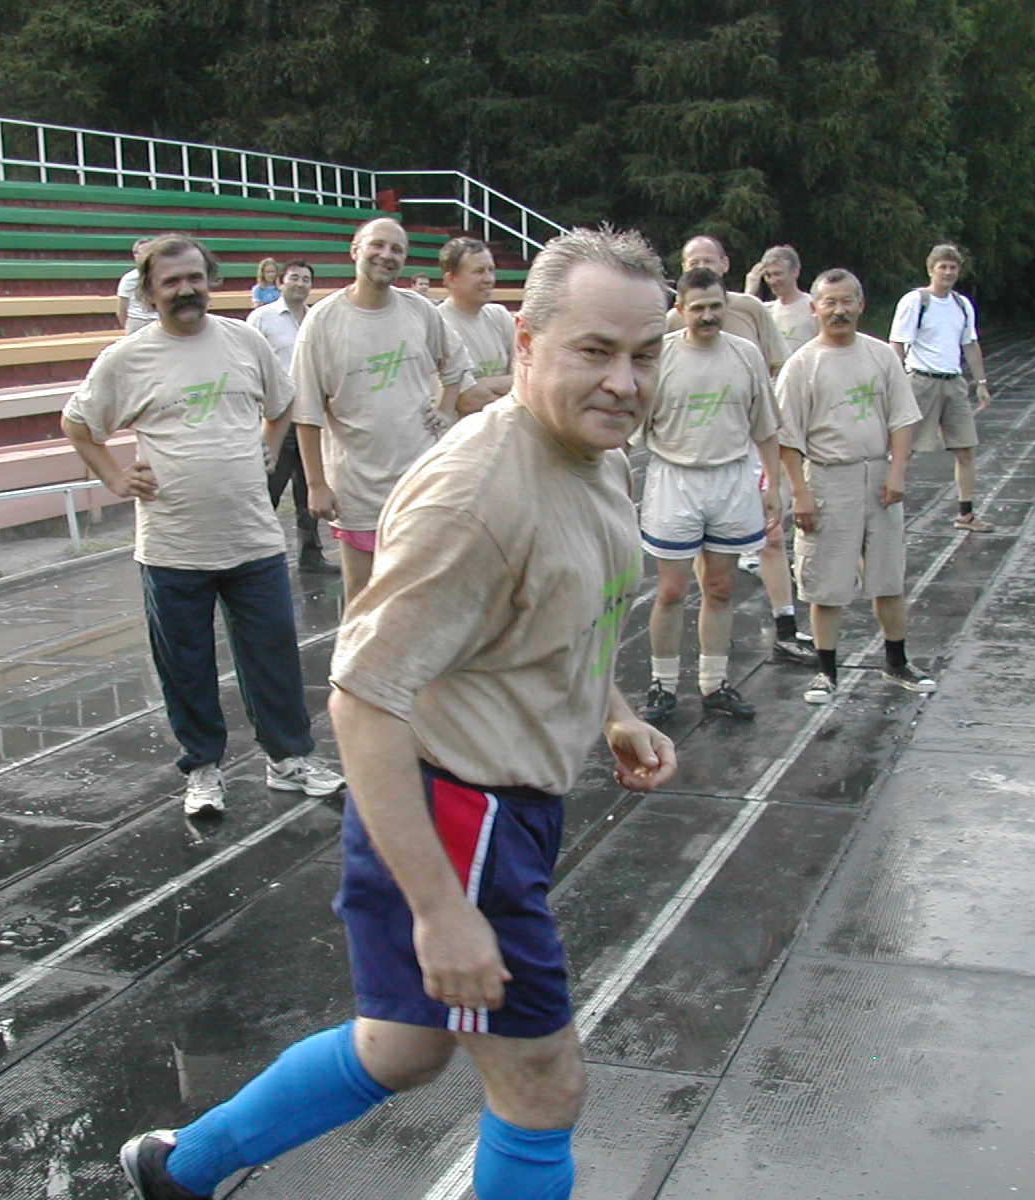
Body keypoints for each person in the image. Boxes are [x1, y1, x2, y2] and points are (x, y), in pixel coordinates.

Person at [118, 225, 678, 1200]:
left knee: (405, 1046)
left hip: (501, 808)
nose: (624, 382)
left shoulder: (595, 455)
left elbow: (555, 613)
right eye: (596, 350)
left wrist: (611, 709)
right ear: (526, 343)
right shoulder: (475, 498)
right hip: (460, 818)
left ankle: (179, 1168)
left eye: (644, 354)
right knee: (542, 1086)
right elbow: (363, 701)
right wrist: (441, 909)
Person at [62, 235, 344, 817]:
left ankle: (288, 759)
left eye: (194, 277)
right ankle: (203, 768)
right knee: (185, 666)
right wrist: (114, 476)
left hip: (252, 538)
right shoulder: (126, 359)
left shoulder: (244, 340)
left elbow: (282, 403)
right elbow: (78, 424)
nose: (185, 289)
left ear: (210, 279)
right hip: (173, 545)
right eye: (171, 281)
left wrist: (270, 445)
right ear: (149, 292)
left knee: (273, 658)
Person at [778, 269, 937, 705]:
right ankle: (825, 671)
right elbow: (787, 439)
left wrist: (897, 472)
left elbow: (902, 419)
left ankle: (897, 662)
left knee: (888, 578)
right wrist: (800, 494)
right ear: (814, 309)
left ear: (861, 305)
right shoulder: (802, 366)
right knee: (826, 583)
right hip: (828, 478)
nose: (839, 311)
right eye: (829, 303)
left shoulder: (881, 356)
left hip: (878, 476)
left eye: (847, 301)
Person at [293, 217, 470, 603]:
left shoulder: (420, 310)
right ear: (355, 250)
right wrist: (316, 484)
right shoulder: (322, 322)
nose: (386, 255)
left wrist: (446, 408)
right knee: (363, 596)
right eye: (378, 245)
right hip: (359, 487)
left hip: (420, 480)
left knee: (423, 594)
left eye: (397, 249)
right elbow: (306, 412)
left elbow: (455, 364)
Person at [637, 268, 782, 722]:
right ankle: (662, 685)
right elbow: (627, 432)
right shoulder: (658, 357)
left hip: (731, 478)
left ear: (727, 305)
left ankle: (714, 684)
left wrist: (774, 485)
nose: (707, 315)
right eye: (697, 308)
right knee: (671, 590)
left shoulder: (746, 354)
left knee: (720, 587)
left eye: (715, 306)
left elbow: (766, 428)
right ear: (679, 309)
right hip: (675, 478)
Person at [888, 243, 995, 532]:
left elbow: (970, 344)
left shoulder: (962, 305)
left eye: (953, 267)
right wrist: (896, 383)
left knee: (966, 449)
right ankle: (885, 510)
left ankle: (966, 514)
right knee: (904, 450)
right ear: (931, 269)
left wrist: (981, 383)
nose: (948, 272)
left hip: (954, 382)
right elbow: (897, 343)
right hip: (921, 382)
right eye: (943, 267)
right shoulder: (915, 301)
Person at [246, 259, 337, 575]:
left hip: (310, 417)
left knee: (308, 490)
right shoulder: (262, 318)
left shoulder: (317, 320)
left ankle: (311, 556)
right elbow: (249, 363)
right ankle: (253, 557)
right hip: (277, 419)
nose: (300, 284)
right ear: (281, 282)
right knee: (268, 489)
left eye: (306, 279)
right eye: (294, 278)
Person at [666, 236, 788, 377]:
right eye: (694, 263)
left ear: (725, 264)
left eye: (708, 261)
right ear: (684, 268)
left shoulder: (751, 307)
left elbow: (780, 364)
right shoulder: (673, 319)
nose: (702, 267)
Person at [438, 236, 515, 415]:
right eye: (479, 271)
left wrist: (484, 383)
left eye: (491, 270)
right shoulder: (439, 325)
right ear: (451, 279)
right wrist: (512, 387)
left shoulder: (500, 316)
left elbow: (528, 378)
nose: (489, 279)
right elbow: (470, 399)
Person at [747, 244, 818, 352]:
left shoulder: (814, 306)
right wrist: (750, 291)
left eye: (777, 274)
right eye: (768, 275)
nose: (772, 281)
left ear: (795, 272)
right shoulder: (765, 310)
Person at [116, 238, 158, 333]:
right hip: (137, 322)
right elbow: (122, 309)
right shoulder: (129, 278)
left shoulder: (164, 276)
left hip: (160, 322)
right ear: (135, 255)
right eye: (143, 253)